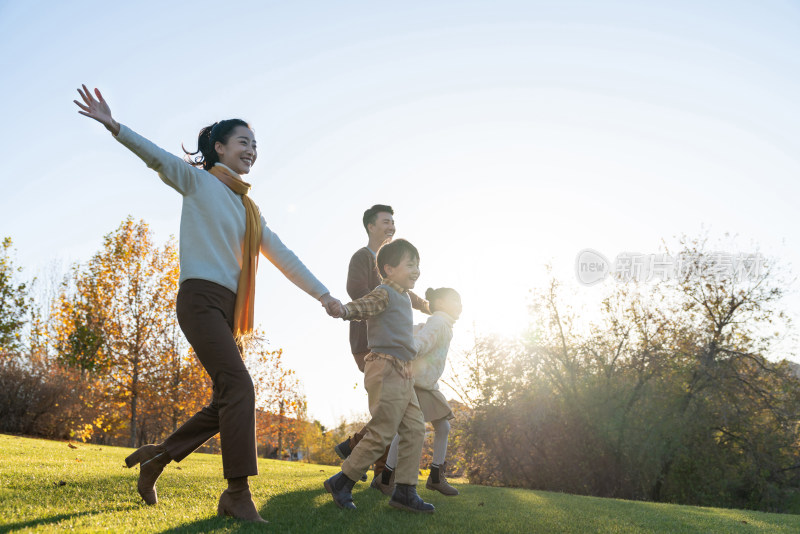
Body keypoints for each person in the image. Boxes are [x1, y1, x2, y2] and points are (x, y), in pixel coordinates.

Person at [74, 85, 342, 523]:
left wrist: (325, 295)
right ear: (219, 147)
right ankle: (237, 495)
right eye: (243, 142)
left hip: (227, 309)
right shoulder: (198, 182)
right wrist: (115, 127)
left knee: (227, 398)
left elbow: (285, 257)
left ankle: (157, 459)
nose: (251, 150)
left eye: (255, 145)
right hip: (198, 300)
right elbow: (157, 156)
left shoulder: (249, 211)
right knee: (241, 388)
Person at [324, 239, 434, 513]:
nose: (416, 270)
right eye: (410, 264)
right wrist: (345, 310)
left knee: (414, 428)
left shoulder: (405, 297)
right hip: (385, 368)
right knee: (383, 429)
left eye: (417, 264)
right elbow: (364, 306)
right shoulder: (384, 292)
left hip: (402, 370)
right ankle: (342, 481)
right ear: (389, 268)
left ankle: (405, 492)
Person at [379, 287, 462, 497]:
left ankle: (391, 477)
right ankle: (394, 477)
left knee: (440, 426)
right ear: (442, 303)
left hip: (427, 384)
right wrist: (407, 354)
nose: (460, 306)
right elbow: (422, 342)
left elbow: (420, 333)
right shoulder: (439, 322)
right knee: (417, 429)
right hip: (418, 383)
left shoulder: (442, 323)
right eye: (456, 301)